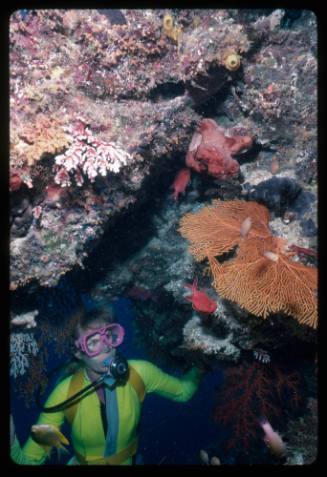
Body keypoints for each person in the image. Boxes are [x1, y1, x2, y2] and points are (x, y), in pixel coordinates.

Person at [10, 306, 205, 465]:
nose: (107, 347)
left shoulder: (139, 373)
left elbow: (183, 392)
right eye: (93, 342)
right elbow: (29, 460)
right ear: (79, 353)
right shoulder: (65, 392)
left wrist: (201, 361)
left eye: (110, 336)